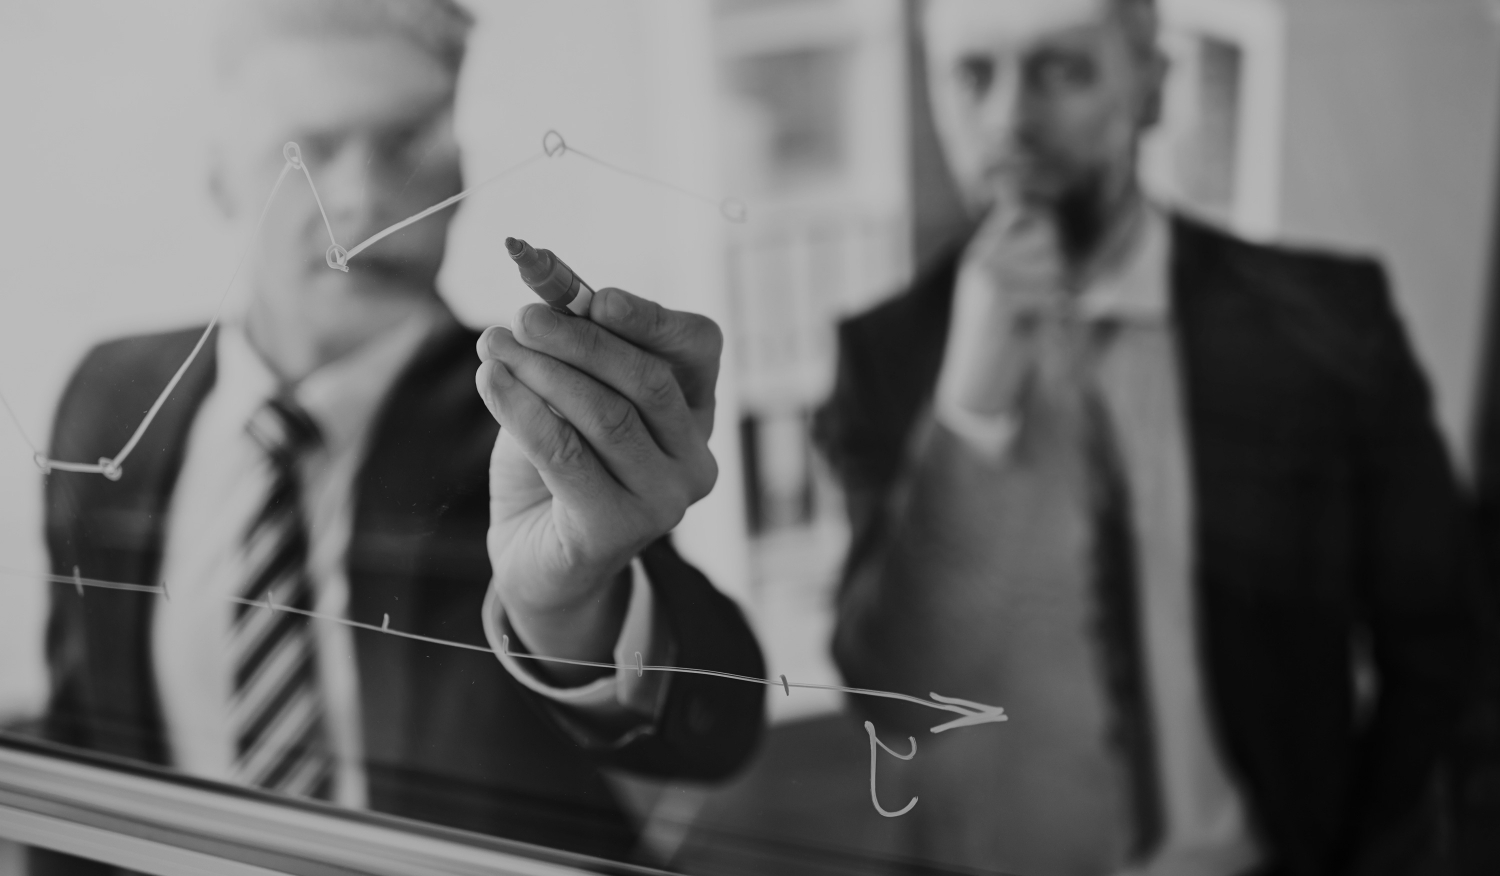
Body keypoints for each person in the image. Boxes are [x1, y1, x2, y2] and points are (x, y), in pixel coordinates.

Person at [33, 1, 763, 873]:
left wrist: (569, 607)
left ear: (460, 168)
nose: (362, 198)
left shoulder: (535, 426)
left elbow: (716, 722)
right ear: (221, 171)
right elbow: (86, 750)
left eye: (406, 141)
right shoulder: (108, 403)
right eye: (306, 150)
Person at [816, 0, 1484, 873]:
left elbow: (1448, 641)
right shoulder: (885, 358)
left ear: (1152, 87)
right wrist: (968, 408)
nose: (1009, 121)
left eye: (1062, 69)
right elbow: (894, 704)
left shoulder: (1330, 324)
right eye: (974, 74)